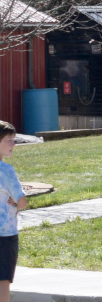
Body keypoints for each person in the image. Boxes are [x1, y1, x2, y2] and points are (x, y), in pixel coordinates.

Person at [0, 121, 29, 302]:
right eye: (9, 140)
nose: (14, 144)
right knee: (3, 281)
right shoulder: (6, 171)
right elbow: (22, 201)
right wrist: (16, 203)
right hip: (5, 234)